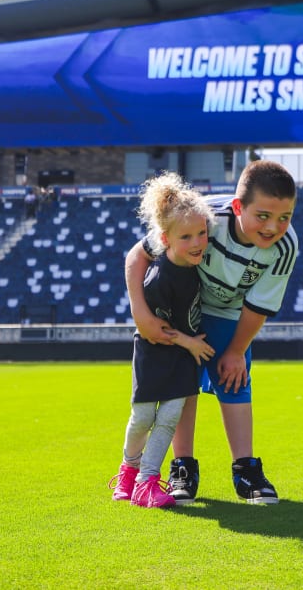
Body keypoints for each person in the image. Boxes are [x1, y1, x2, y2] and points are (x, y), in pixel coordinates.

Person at [125, 159, 298, 505]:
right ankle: (182, 467)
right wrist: (141, 314)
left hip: (231, 315)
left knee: (235, 380)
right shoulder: (202, 217)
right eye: (262, 216)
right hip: (183, 309)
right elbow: (136, 256)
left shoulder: (285, 248)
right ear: (237, 207)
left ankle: (245, 468)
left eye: (284, 217)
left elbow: (258, 306)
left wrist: (235, 351)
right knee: (181, 385)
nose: (273, 227)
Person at [110, 173, 215, 508]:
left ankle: (147, 483)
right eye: (186, 236)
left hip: (184, 357)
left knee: (169, 418)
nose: (198, 241)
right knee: (143, 417)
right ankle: (128, 470)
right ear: (165, 239)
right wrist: (191, 344)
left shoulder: (197, 265)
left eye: (202, 232)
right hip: (156, 353)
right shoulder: (159, 279)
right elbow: (158, 330)